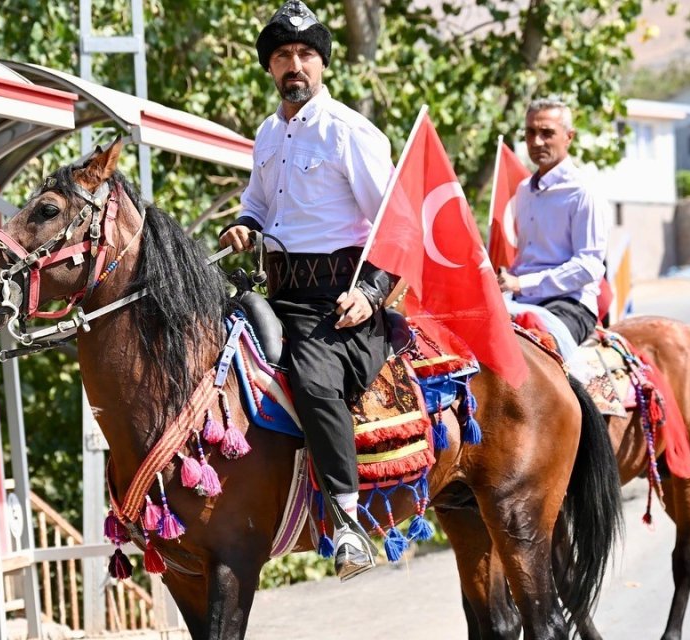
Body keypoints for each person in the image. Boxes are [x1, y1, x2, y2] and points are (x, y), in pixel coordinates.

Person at [219, 0, 395, 580]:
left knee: (315, 381)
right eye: (282, 56)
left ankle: (348, 523)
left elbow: (397, 223)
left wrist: (371, 291)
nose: (294, 65)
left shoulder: (350, 131)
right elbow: (259, 203)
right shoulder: (268, 134)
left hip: (340, 301)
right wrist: (245, 223)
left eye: (305, 54)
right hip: (278, 291)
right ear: (269, 67)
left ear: (322, 64)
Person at [498, 97, 609, 359]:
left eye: (547, 133)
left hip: (570, 305)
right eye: (530, 132)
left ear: (569, 137)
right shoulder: (525, 190)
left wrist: (521, 283)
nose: (536, 142)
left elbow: (588, 266)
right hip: (521, 300)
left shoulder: (584, 191)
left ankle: (583, 403)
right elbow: (530, 257)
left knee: (537, 360)